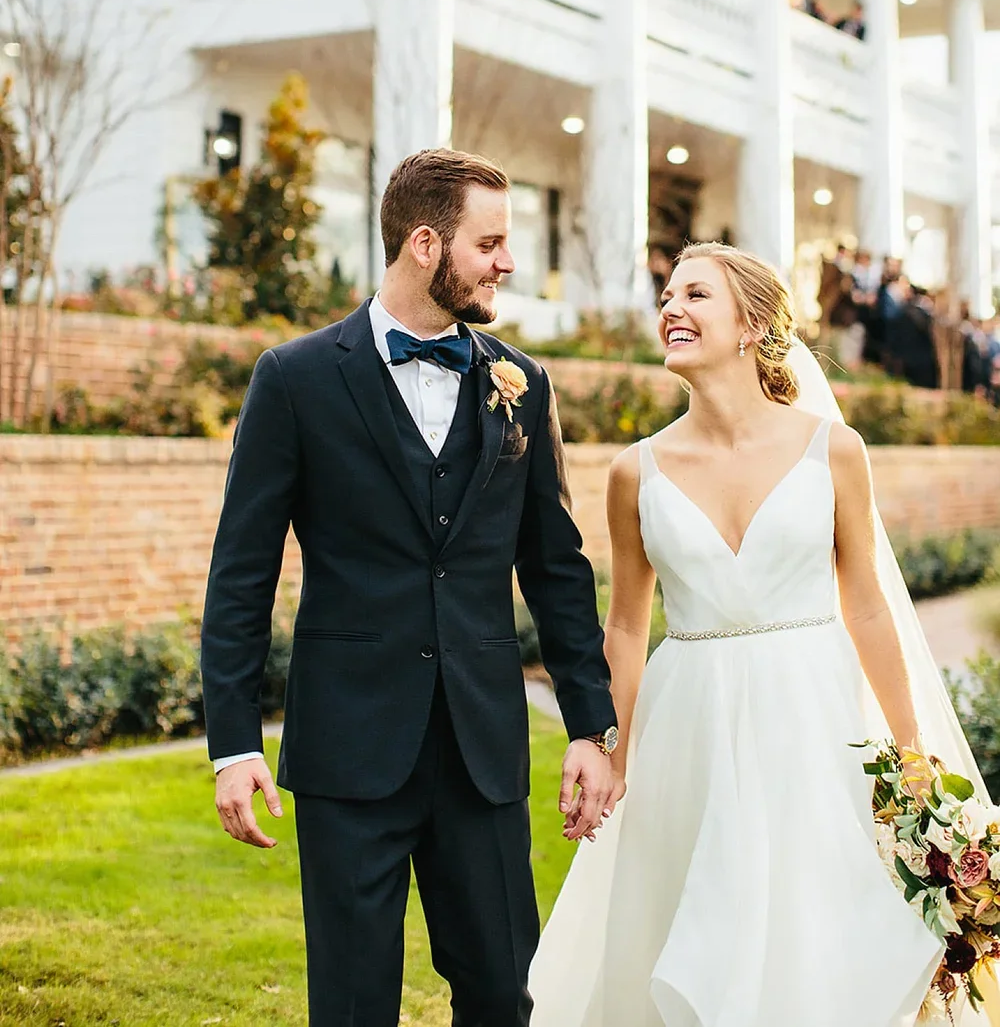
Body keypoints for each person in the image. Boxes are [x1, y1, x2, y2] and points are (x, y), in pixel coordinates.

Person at [201, 148, 618, 1027]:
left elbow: (556, 567)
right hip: (350, 749)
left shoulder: (522, 385)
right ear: (425, 244)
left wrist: (591, 723)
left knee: (504, 995)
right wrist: (233, 745)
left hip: (481, 751)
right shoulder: (296, 378)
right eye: (491, 242)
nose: (507, 263)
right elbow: (242, 574)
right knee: (352, 1007)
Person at [529, 241, 986, 1026]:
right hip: (689, 725)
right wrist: (616, 755)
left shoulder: (833, 450)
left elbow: (868, 606)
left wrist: (911, 752)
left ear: (750, 325)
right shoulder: (636, 471)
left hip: (813, 721)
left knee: (816, 933)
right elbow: (629, 626)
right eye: (667, 295)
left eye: (695, 295)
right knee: (696, 927)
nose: (670, 308)